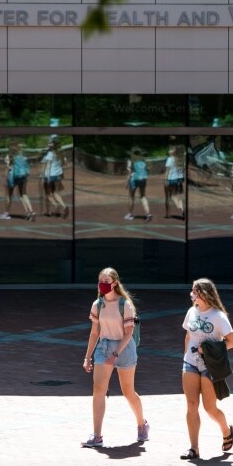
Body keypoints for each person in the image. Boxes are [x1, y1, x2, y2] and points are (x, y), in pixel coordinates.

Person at [81, 267, 149, 448]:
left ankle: (142, 424)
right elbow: (94, 332)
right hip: (103, 347)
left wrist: (116, 353)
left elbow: (128, 333)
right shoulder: (97, 304)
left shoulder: (124, 305)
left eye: (106, 282)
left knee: (128, 391)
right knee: (98, 390)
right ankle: (97, 436)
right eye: (100, 281)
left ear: (115, 283)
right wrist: (87, 357)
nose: (102, 285)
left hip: (124, 348)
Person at [180, 278, 233, 460]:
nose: (192, 294)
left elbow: (232, 342)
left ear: (204, 293)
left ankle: (226, 430)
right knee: (191, 405)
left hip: (210, 366)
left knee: (210, 408)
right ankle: (194, 448)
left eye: (195, 291)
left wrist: (210, 349)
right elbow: (188, 336)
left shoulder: (218, 316)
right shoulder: (191, 312)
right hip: (190, 363)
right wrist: (186, 356)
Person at [0, 142, 36, 221]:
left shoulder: (9, 156)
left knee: (9, 195)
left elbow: (7, 169)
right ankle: (31, 211)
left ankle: (6, 213)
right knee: (24, 194)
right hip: (22, 177)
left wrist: (4, 180)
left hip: (12, 177)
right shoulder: (22, 156)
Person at [41, 138, 70, 218]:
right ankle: (64, 206)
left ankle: (55, 205)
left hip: (50, 175)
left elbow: (48, 166)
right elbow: (65, 163)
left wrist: (46, 177)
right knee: (55, 192)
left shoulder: (50, 154)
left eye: (50, 143)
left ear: (53, 145)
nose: (49, 144)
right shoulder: (60, 153)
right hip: (57, 175)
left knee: (47, 194)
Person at [125, 147, 152, 222]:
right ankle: (148, 214)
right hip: (143, 179)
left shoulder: (131, 161)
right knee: (143, 196)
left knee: (131, 197)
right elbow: (147, 170)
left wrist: (127, 182)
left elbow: (129, 173)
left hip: (134, 180)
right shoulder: (143, 161)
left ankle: (130, 214)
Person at [164, 145, 185, 220]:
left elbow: (167, 171)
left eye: (172, 149)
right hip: (179, 180)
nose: (170, 151)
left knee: (171, 196)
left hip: (171, 179)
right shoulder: (181, 159)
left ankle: (179, 208)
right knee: (178, 196)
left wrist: (165, 180)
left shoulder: (170, 159)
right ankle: (182, 209)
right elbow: (183, 170)